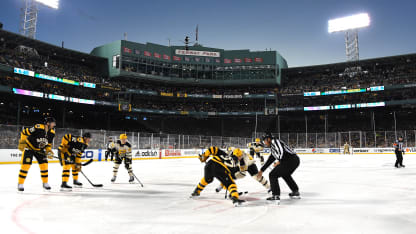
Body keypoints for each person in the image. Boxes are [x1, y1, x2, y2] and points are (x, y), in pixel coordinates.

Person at [257, 133, 300, 204]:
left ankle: (276, 195)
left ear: (269, 139)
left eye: (264, 140)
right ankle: (295, 191)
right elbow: (271, 159)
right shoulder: (273, 147)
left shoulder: (275, 141)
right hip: (293, 160)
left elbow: (281, 151)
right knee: (285, 174)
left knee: (272, 175)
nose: (264, 142)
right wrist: (262, 170)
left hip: (290, 160)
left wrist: (279, 161)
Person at [17, 117, 56, 192]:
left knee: (44, 165)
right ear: (48, 123)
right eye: (53, 123)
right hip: (29, 148)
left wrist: (48, 151)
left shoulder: (52, 133)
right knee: (26, 166)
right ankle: (20, 183)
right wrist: (22, 142)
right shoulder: (38, 127)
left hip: (40, 150)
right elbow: (24, 132)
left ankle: (45, 183)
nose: (54, 124)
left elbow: (48, 144)